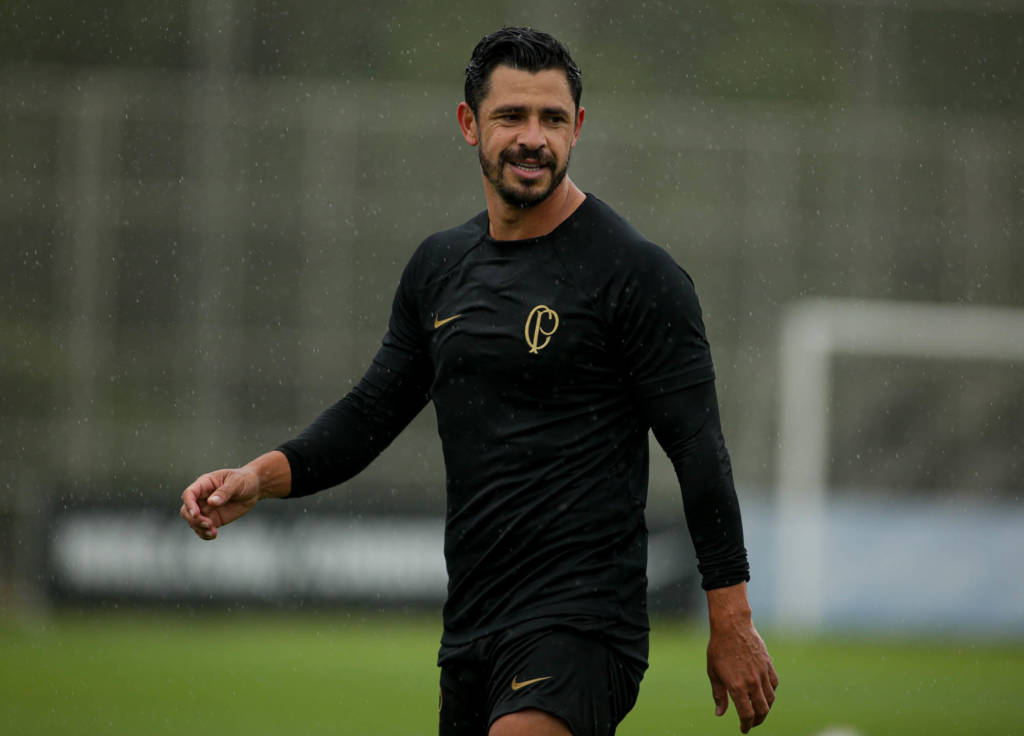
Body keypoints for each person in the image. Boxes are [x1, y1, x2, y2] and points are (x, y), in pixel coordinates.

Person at [180, 26, 777, 736]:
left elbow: (700, 450)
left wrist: (731, 615)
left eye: (553, 118)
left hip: (583, 621)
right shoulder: (440, 268)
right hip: (472, 623)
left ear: (579, 127)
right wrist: (260, 477)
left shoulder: (636, 273)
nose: (533, 138)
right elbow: (370, 415)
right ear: (469, 124)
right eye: (511, 116)